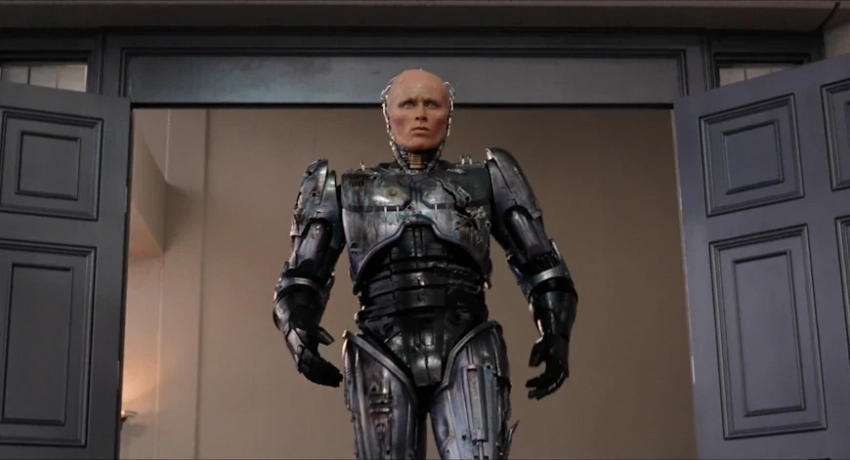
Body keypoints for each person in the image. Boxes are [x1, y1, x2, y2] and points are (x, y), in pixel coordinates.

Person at [272, 69, 578, 460]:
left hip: (467, 343)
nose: (420, 114)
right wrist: (298, 329)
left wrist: (556, 332)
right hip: (382, 346)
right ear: (389, 114)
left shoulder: (486, 180)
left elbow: (542, 266)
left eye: (432, 104)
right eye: (409, 104)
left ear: (449, 115)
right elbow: (301, 277)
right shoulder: (346, 189)